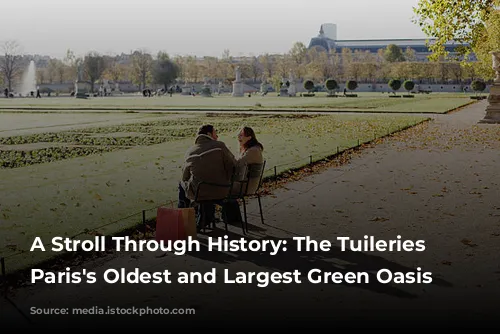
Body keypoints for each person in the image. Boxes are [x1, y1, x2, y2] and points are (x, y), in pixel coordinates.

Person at [178, 124, 236, 229]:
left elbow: (184, 177)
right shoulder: (220, 146)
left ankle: (182, 219)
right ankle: (204, 217)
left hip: (201, 193)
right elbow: (233, 164)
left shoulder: (190, 151)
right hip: (223, 190)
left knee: (181, 184)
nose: (217, 136)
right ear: (209, 134)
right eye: (215, 133)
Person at [225, 127, 265, 225]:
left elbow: (237, 164)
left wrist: (227, 154)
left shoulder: (253, 151)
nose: (238, 137)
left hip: (246, 186)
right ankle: (231, 217)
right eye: (238, 134)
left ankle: (228, 218)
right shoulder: (251, 149)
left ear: (249, 137)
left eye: (241, 135)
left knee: (220, 188)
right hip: (247, 183)